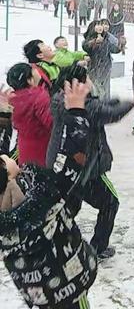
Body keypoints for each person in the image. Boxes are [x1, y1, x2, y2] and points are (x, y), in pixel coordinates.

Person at [0, 80, 97, 309]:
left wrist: (4, 115)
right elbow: (71, 161)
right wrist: (76, 113)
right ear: (9, 177)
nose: (5, 155)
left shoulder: (8, 214)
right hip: (68, 285)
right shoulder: (42, 201)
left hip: (37, 290)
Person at [47, 65, 134, 260]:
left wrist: (114, 100)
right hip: (85, 169)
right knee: (110, 203)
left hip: (64, 168)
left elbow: (98, 104)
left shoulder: (59, 99)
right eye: (87, 78)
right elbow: (107, 113)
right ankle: (98, 248)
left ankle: (54, 246)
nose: (91, 81)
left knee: (69, 209)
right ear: (79, 84)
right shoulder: (82, 107)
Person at [6, 63, 53, 166]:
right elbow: (52, 124)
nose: (36, 70)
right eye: (33, 70)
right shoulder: (39, 97)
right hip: (43, 148)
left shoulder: (15, 100)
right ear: (30, 80)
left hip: (25, 148)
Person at [82, 20, 122, 99]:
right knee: (95, 89)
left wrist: (121, 45)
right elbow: (86, 47)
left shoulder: (105, 39)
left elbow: (114, 49)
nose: (100, 27)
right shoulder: (89, 39)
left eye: (101, 25)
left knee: (105, 90)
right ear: (92, 28)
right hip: (93, 68)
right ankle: (96, 105)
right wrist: (94, 42)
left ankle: (105, 105)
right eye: (97, 25)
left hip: (105, 68)